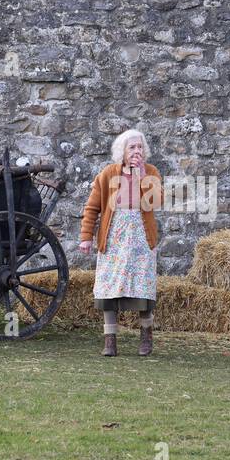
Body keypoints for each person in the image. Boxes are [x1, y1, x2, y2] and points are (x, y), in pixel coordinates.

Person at [79, 129, 161, 357]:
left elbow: (155, 203)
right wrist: (86, 237)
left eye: (140, 147)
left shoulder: (151, 172)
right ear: (122, 151)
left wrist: (143, 177)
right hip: (113, 240)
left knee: (142, 289)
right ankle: (110, 341)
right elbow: (92, 208)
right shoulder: (107, 174)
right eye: (132, 147)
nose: (137, 151)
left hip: (141, 241)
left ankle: (146, 338)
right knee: (109, 289)